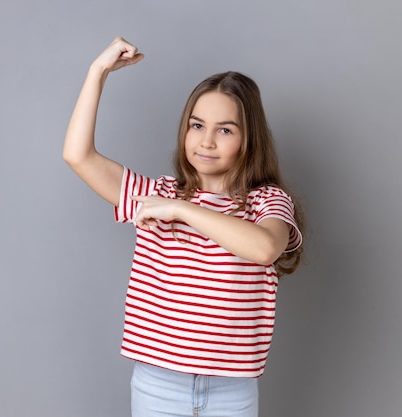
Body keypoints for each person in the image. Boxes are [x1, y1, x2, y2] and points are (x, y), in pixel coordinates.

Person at [63, 36, 305, 417]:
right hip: (158, 385)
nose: (206, 141)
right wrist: (98, 73)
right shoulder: (156, 194)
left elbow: (264, 249)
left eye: (225, 130)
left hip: (232, 390)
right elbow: (78, 156)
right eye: (197, 125)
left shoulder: (266, 201)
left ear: (248, 139)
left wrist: (182, 210)